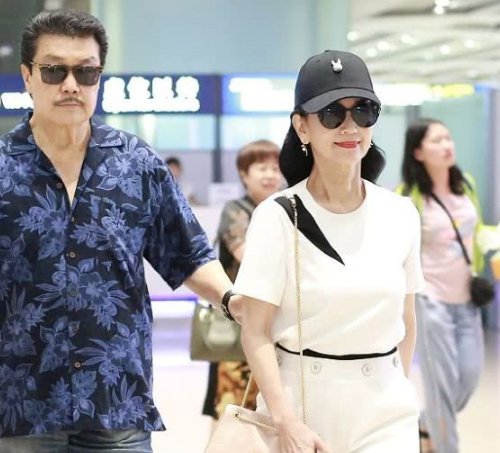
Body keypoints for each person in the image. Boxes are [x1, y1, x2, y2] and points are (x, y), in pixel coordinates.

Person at [0, 10, 232, 453]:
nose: (71, 84)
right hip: (23, 407)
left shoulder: (136, 164)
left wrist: (234, 300)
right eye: (54, 70)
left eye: (85, 72)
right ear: (27, 76)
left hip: (118, 402)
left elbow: (190, 254)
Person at [228, 50, 424, 452]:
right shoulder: (278, 216)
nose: (350, 126)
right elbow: (256, 331)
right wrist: (285, 420)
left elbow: (406, 320)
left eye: (363, 111)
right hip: (303, 406)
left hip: (387, 409)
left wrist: (398, 385)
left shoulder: (400, 213)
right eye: (332, 113)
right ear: (302, 126)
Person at [399, 118, 498, 453]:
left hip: (467, 298)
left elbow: (475, 232)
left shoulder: (465, 185)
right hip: (431, 300)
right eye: (437, 140)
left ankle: (425, 424)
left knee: (468, 377)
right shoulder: (408, 196)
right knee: (441, 386)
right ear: (418, 152)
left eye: (448, 138)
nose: (447, 145)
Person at [202, 140, 282, 421]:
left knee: (269, 410)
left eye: (275, 168)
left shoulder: (283, 209)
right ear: (244, 174)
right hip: (238, 321)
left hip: (275, 323)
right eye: (262, 168)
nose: (270, 175)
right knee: (230, 408)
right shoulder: (236, 210)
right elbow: (246, 256)